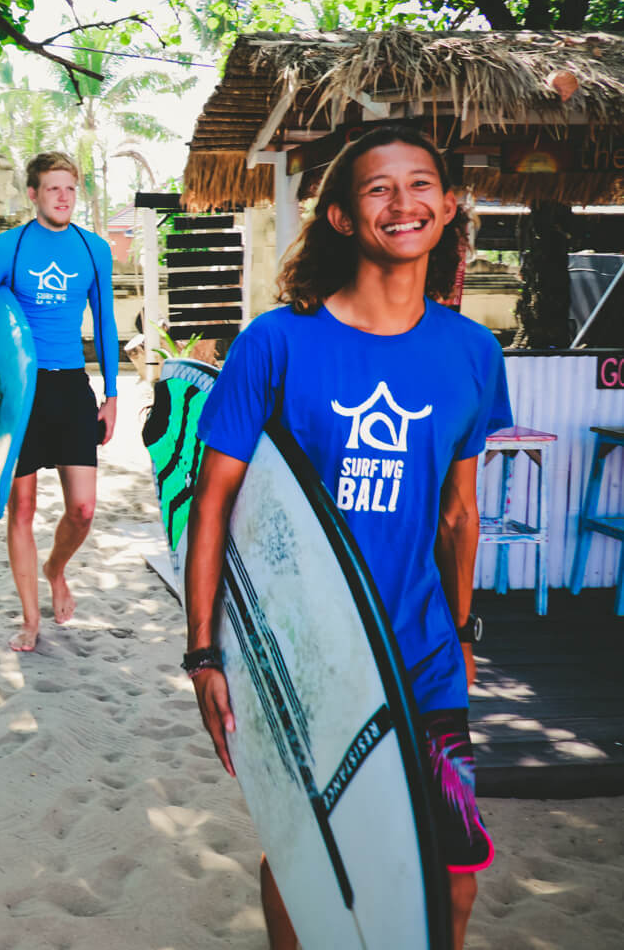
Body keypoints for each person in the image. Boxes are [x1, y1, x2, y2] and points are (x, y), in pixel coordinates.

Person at [183, 126, 511, 949]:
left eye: (421, 184)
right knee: (308, 862)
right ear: (338, 215)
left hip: (426, 653)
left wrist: (464, 628)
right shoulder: (278, 343)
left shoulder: (473, 351)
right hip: (308, 661)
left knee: (456, 877)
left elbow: (459, 512)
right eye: (378, 189)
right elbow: (213, 503)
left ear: (447, 206)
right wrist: (204, 652)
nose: (404, 203)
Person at [0, 151, 119, 652]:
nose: (63, 197)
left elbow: (106, 324)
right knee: (20, 509)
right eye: (53, 188)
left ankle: (56, 568)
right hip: (22, 390)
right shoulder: (9, 247)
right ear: (33, 194)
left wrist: (111, 393)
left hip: (71, 385)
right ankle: (30, 620)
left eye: (70, 188)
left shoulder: (94, 250)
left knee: (84, 509)